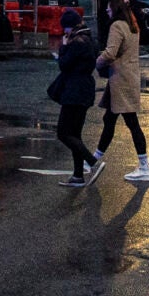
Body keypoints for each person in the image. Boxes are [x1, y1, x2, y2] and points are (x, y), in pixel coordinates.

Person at [97, 0, 149, 182]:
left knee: (131, 122)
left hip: (120, 80)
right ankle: (93, 159)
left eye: (108, 8)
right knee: (109, 120)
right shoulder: (132, 25)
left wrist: (97, 61)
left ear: (114, 8)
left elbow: (110, 53)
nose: (106, 10)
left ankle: (144, 167)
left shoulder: (117, 26)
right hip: (128, 78)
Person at [49, 10, 105, 186]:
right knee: (75, 134)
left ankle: (92, 163)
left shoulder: (77, 42)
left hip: (75, 91)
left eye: (65, 27)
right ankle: (78, 176)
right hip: (84, 89)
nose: (64, 31)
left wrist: (64, 46)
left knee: (64, 133)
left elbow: (64, 65)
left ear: (71, 27)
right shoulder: (89, 39)